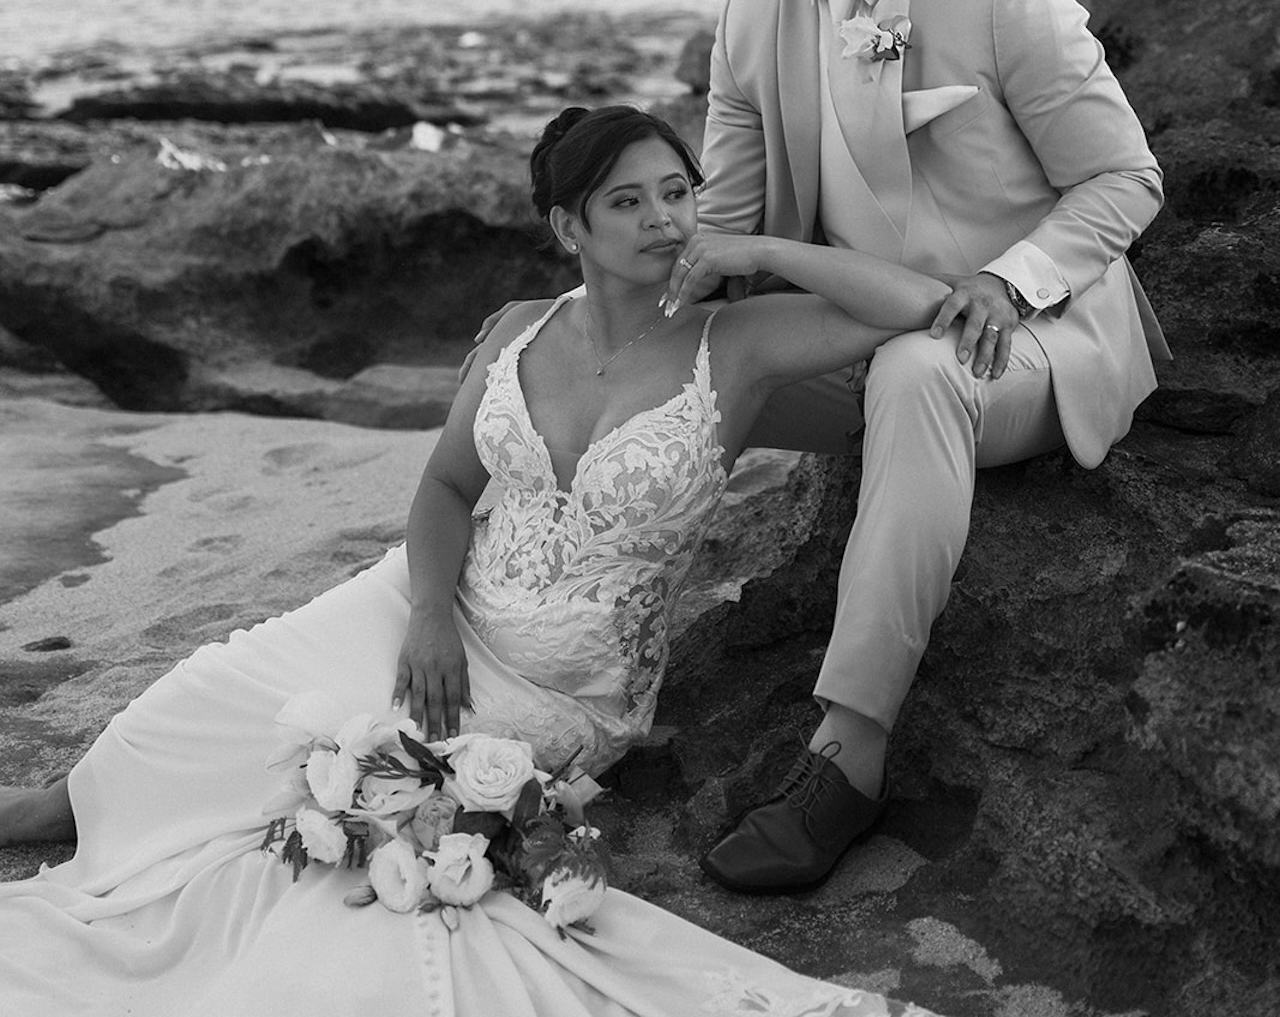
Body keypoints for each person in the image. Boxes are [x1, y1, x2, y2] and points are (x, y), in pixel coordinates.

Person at [0, 104, 956, 1017]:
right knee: (199, 705)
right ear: (566, 226)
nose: (662, 220)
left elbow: (921, 303)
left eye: (677, 192)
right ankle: (61, 807)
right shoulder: (518, 331)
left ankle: (100, 824)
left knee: (339, 809)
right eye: (626, 202)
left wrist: (756, 252)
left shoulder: (735, 342)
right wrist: (425, 615)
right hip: (424, 609)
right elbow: (447, 490)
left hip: (562, 682)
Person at [665, 0, 1168, 895]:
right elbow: (722, 243)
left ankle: (846, 758)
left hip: (1034, 342)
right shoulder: (748, 17)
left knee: (920, 375)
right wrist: (600, 319)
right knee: (607, 359)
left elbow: (1122, 178)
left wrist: (1010, 280)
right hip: (856, 331)